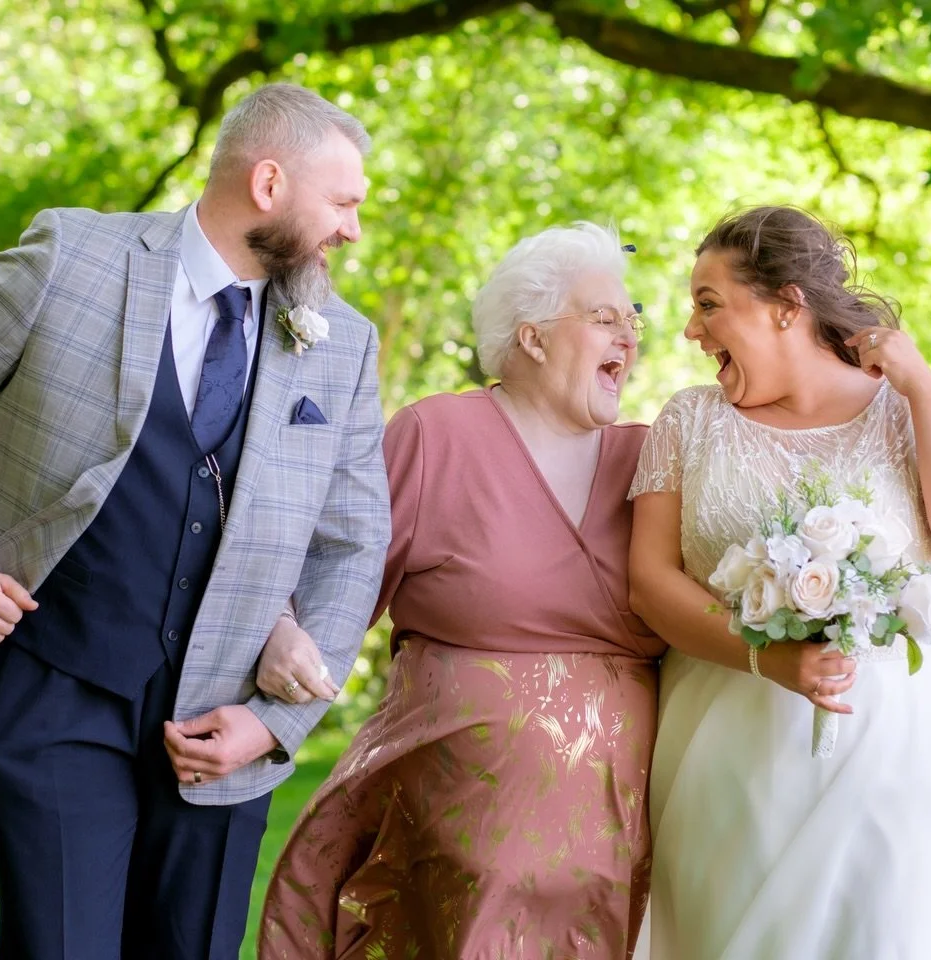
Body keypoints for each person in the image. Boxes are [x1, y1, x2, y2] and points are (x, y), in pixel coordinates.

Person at [0, 83, 390, 958]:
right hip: (52, 679)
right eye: (342, 202)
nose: (352, 230)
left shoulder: (343, 340)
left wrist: (274, 723)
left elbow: (353, 541)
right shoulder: (71, 257)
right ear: (267, 184)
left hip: (224, 723)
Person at [258, 223, 663, 959]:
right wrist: (279, 653)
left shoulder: (653, 458)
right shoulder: (437, 435)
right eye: (605, 318)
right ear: (533, 337)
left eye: (633, 320)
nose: (628, 338)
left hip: (630, 834)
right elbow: (329, 580)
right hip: (462, 832)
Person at [628, 206, 931, 959]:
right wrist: (766, 658)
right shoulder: (686, 423)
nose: (690, 332)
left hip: (898, 753)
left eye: (709, 304)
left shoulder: (905, 410)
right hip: (726, 748)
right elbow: (649, 581)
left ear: (785, 307)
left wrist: (924, 386)